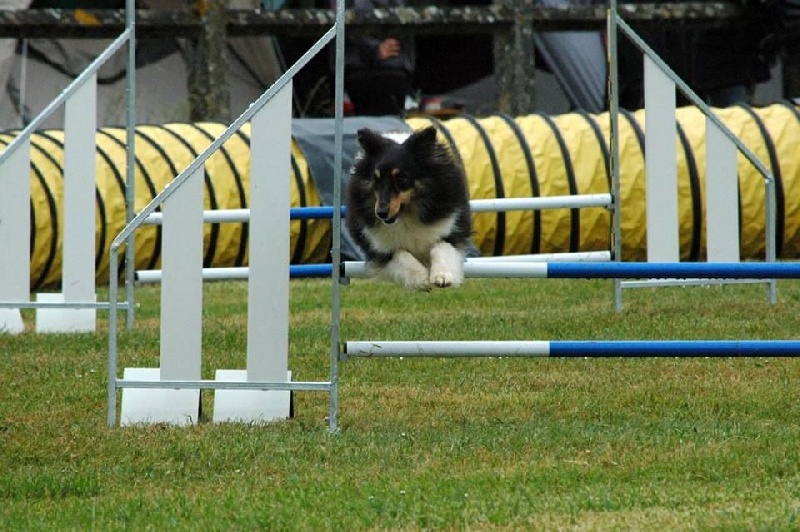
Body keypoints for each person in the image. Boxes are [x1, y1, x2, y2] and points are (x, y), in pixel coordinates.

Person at [331, 0, 415, 116]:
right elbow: (340, 17)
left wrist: (390, 45)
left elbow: (406, 15)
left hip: (396, 64)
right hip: (357, 67)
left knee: (393, 122)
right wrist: (375, 49)